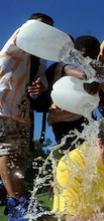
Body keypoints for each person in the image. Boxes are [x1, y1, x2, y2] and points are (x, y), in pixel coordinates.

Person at [0, 13, 53, 220]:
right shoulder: (19, 39)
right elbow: (30, 29)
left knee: (19, 159)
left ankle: (12, 196)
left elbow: (41, 78)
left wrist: (42, 85)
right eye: (43, 28)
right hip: (3, 105)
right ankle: (18, 201)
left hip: (22, 112)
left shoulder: (40, 58)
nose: (46, 33)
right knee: (7, 151)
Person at [46, 35, 100, 151]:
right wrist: (85, 76)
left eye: (93, 55)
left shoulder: (88, 67)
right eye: (85, 55)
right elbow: (67, 70)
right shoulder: (61, 66)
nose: (89, 59)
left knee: (89, 151)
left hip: (80, 117)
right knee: (73, 153)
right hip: (62, 121)